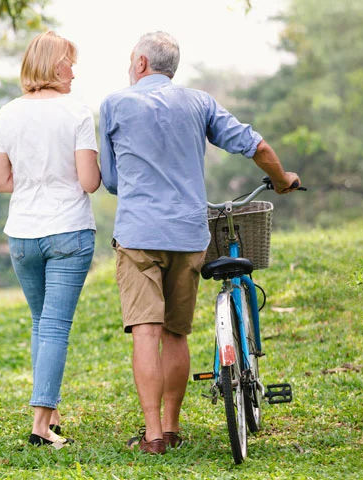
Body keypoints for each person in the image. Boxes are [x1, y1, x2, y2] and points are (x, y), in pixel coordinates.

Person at [99, 31, 301, 455]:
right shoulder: (199, 103)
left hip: (138, 235)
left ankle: (153, 436)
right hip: (188, 233)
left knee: (145, 333)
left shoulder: (114, 105)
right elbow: (256, 145)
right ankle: (172, 427)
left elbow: (112, 181)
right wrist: (282, 181)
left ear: (139, 63)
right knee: (176, 333)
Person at [0, 31, 101, 448]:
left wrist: (33, 178)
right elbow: (89, 182)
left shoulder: (8, 113)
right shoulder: (75, 112)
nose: (74, 71)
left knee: (41, 323)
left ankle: (50, 413)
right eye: (70, 62)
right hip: (67, 230)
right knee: (54, 326)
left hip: (22, 235)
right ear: (57, 66)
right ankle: (40, 426)